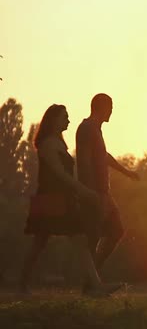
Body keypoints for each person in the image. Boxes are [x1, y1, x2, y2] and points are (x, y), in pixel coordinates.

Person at [20, 104, 121, 296]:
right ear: (54, 119)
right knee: (40, 244)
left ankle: (95, 286)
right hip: (50, 202)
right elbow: (60, 175)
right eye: (64, 117)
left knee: (76, 241)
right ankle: (22, 284)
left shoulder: (59, 143)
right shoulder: (48, 144)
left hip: (62, 199)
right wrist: (85, 191)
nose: (68, 120)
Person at [75, 93, 139, 288]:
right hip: (95, 193)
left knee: (115, 231)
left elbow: (104, 156)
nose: (112, 111)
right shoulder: (87, 128)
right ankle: (91, 283)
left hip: (104, 193)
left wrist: (126, 171)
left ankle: (91, 281)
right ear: (101, 106)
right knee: (94, 236)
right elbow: (84, 162)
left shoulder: (96, 129)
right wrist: (92, 193)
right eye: (110, 106)